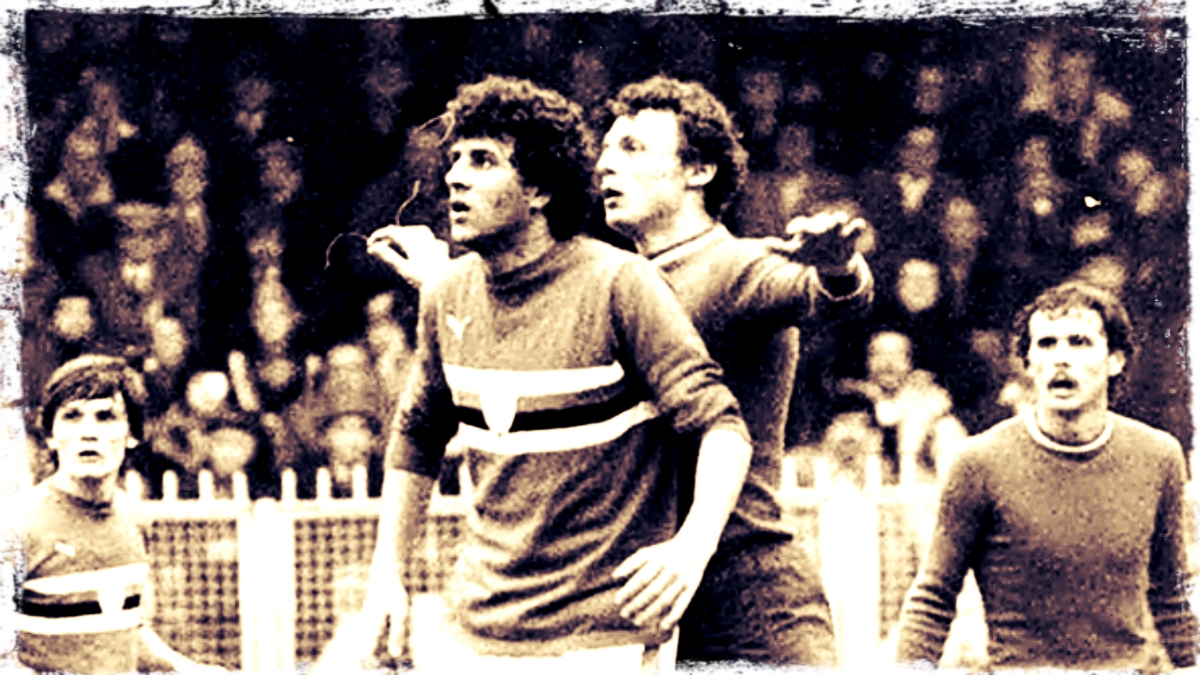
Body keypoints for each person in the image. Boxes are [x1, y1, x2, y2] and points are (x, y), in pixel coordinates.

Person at [341, 75, 754, 673]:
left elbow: (723, 428)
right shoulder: (446, 293)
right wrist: (387, 576)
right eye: (455, 159)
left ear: (537, 189)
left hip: (602, 639)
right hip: (475, 636)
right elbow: (415, 438)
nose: (455, 177)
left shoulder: (619, 283)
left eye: (483, 161)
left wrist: (691, 548)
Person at [593, 75, 872, 666]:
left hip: (752, 596)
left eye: (632, 148)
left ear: (699, 170)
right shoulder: (615, 286)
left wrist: (839, 268)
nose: (605, 164)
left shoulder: (736, 264)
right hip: (655, 599)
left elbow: (825, 293)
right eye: (607, 148)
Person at [896, 281, 1199, 672]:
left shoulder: (1159, 456)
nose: (1061, 359)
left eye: (1079, 342)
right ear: (1028, 364)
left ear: (1115, 360)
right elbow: (933, 597)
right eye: (1046, 344)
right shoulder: (979, 462)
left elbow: (1172, 597)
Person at [6, 354, 226, 675]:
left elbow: (124, 631)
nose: (88, 432)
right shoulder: (16, 528)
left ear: (132, 434)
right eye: (72, 417)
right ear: (51, 435)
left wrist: (188, 668)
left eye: (105, 417)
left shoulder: (132, 517)